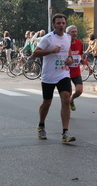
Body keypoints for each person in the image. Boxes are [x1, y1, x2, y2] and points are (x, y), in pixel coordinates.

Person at [32, 13, 76, 142]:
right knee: (47, 103)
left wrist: (70, 58)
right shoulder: (48, 38)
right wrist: (50, 51)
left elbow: (68, 52)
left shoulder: (68, 38)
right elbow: (35, 53)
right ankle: (41, 125)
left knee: (66, 100)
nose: (61, 25)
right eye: (58, 23)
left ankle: (65, 132)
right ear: (53, 25)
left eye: (63, 23)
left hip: (63, 73)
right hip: (49, 76)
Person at [66, 25, 85, 112]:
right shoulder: (65, 43)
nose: (74, 33)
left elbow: (80, 55)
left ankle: (72, 99)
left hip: (76, 71)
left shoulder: (79, 42)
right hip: (66, 71)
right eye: (72, 32)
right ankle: (66, 112)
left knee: (79, 90)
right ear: (68, 33)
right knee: (67, 93)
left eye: (75, 32)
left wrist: (82, 61)